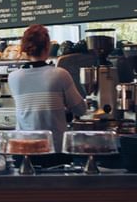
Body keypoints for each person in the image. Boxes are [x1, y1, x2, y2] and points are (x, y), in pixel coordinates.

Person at [8, 24, 87, 155]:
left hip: (23, 149)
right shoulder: (60, 74)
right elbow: (81, 110)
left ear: (25, 49)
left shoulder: (13, 77)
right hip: (54, 149)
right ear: (47, 47)